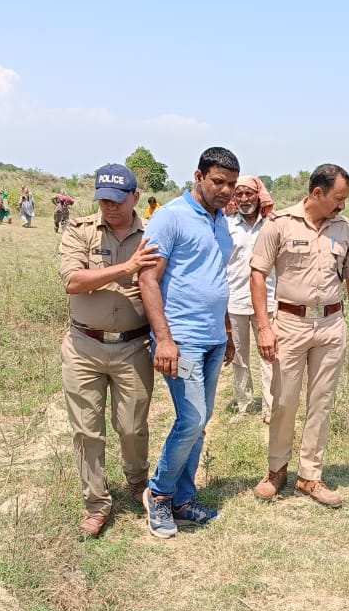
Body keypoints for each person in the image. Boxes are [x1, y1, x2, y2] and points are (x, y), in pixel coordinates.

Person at [250, 164, 349, 508]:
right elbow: (258, 275)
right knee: (284, 399)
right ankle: (276, 471)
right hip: (289, 323)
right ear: (317, 193)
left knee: (322, 401)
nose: (342, 206)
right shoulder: (279, 225)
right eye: (338, 199)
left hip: (331, 326)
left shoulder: (346, 229)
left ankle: (310, 476)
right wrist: (264, 327)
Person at [138, 147, 239, 538]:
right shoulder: (169, 217)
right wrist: (163, 339)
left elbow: (217, 280)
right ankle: (160, 495)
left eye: (231, 184)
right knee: (192, 418)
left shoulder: (220, 221)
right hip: (181, 340)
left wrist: (227, 332)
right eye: (218, 182)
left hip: (213, 338)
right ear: (198, 176)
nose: (226, 191)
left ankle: (183, 500)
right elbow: (148, 279)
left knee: (200, 422)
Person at [58, 164, 160, 539]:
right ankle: (96, 504)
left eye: (117, 201)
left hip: (134, 346)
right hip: (85, 346)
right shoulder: (80, 230)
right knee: (88, 431)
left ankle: (137, 482)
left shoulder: (153, 233)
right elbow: (72, 280)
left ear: (135, 197)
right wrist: (126, 268)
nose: (110, 208)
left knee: (132, 427)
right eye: (103, 200)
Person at [225, 176, 278, 422]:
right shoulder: (226, 224)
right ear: (234, 198)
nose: (245, 199)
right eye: (239, 195)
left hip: (267, 300)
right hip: (234, 299)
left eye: (249, 194)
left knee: (270, 355)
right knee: (239, 357)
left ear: (259, 196)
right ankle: (244, 404)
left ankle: (270, 408)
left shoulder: (272, 224)